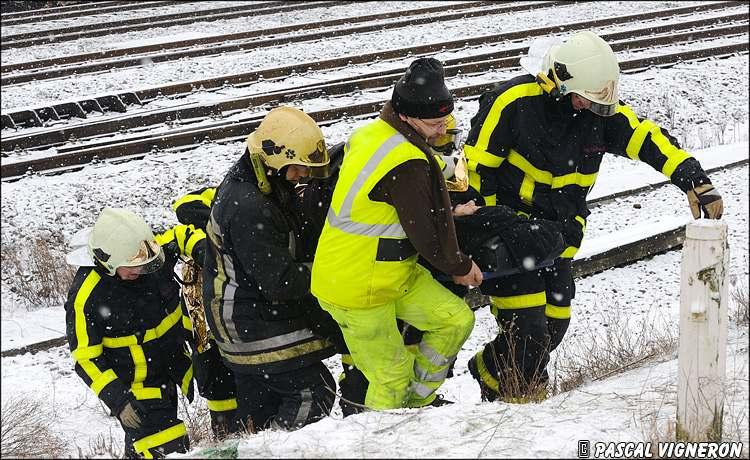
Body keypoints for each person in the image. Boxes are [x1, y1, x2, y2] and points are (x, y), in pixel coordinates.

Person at [458, 30, 724, 402]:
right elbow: (473, 174)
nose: (592, 109)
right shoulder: (513, 104)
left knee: (554, 325)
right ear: (560, 84)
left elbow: (646, 138)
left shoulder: (598, 113)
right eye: (585, 99)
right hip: (511, 237)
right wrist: (493, 229)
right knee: (528, 335)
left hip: (558, 238)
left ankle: (490, 368)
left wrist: (691, 177)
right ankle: (513, 404)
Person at [311, 57, 482, 410]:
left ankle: (416, 406)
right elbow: (427, 233)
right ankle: (381, 440)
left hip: (389, 272)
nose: (441, 130)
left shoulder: (371, 133)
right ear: (406, 116)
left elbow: (390, 206)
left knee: (455, 320)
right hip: (356, 287)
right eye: (435, 124)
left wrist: (448, 211)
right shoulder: (406, 163)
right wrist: (460, 266)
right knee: (390, 376)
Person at [202, 106, 340, 433]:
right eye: (297, 169)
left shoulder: (259, 183)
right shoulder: (249, 206)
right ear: (276, 159)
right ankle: (272, 450)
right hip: (248, 326)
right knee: (314, 391)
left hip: (243, 320)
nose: (302, 177)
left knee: (258, 417)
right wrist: (335, 269)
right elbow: (282, 283)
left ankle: (259, 443)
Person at [64, 207, 206, 458]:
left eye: (144, 265)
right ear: (107, 261)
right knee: (163, 447)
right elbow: (86, 358)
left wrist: (201, 249)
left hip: (172, 370)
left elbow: (181, 235)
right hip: (136, 388)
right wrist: (118, 400)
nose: (140, 271)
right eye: (132, 268)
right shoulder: (87, 296)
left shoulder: (147, 256)